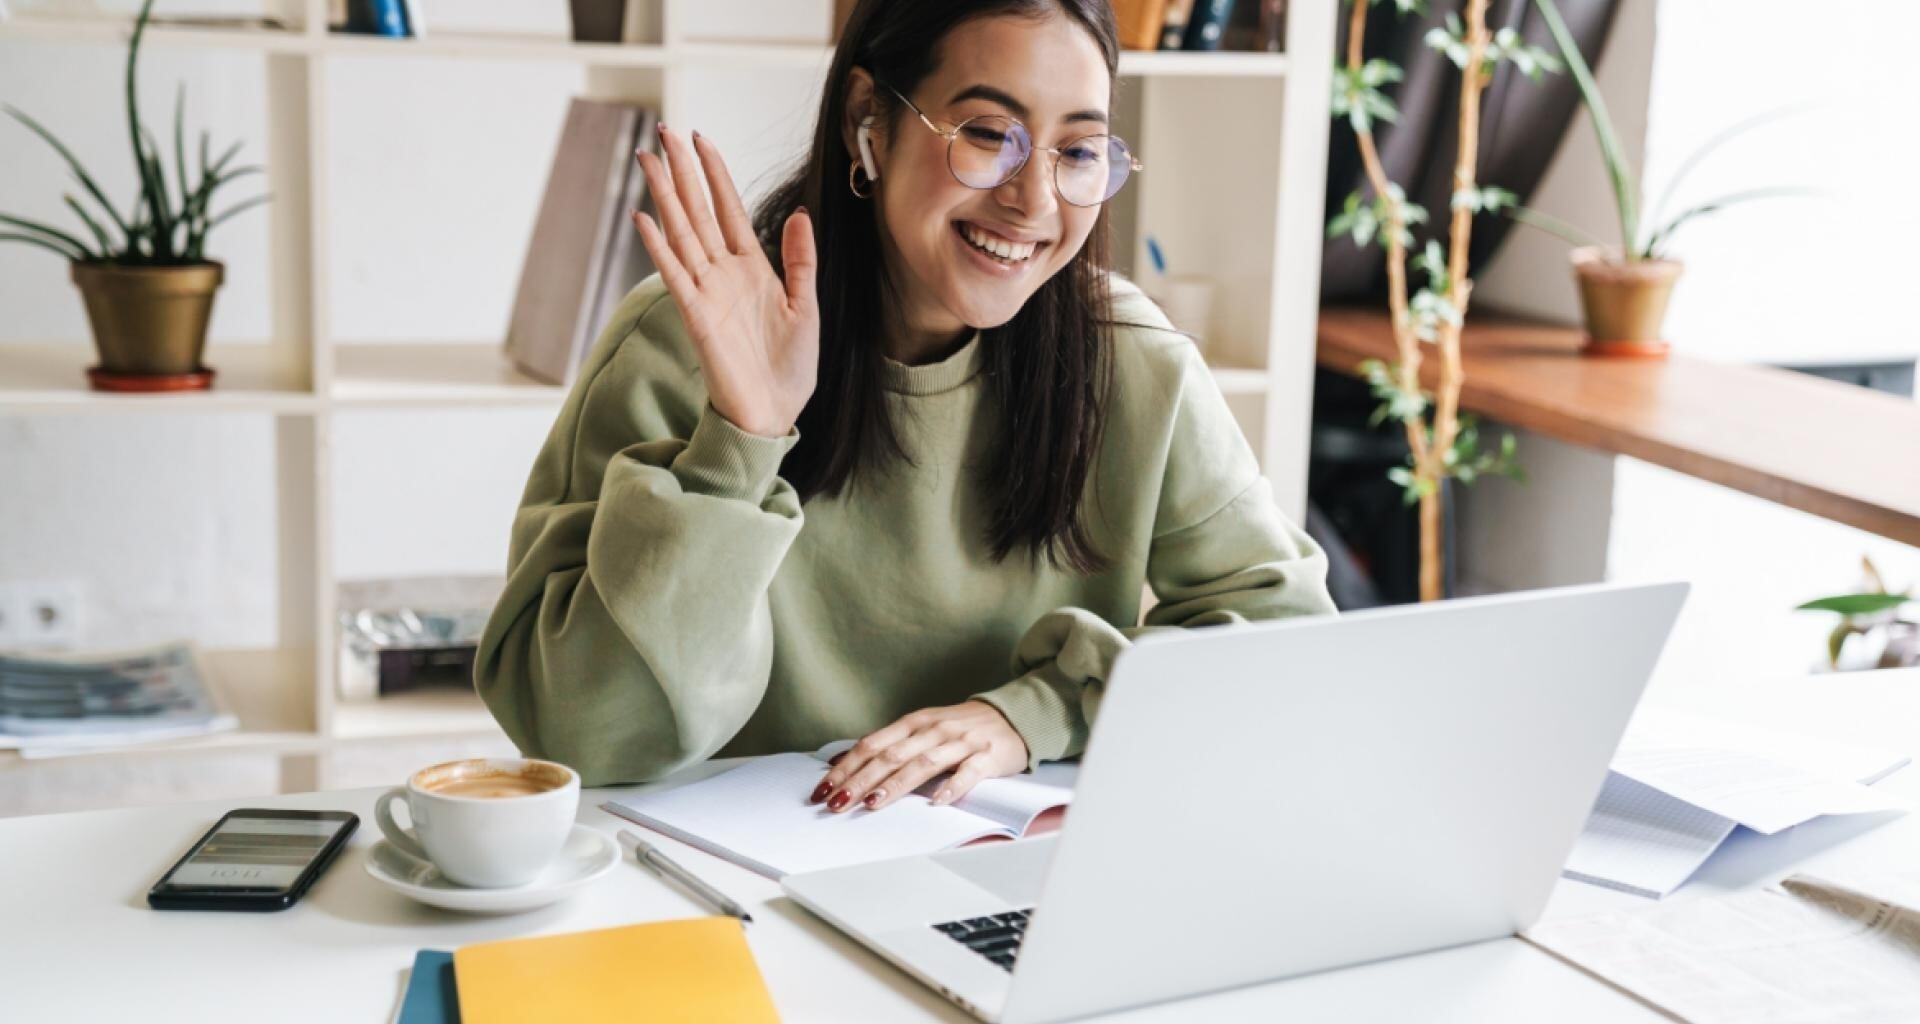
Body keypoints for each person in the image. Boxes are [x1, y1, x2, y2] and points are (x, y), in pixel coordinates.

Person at [475, 0, 1334, 814]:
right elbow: (583, 736)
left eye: (1077, 152)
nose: (1034, 202)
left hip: (1017, 875)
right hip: (724, 885)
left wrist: (1037, 714)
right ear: (869, 121)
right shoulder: (689, 340)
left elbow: (1291, 649)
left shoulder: (1131, 360)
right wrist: (741, 442)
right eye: (988, 135)